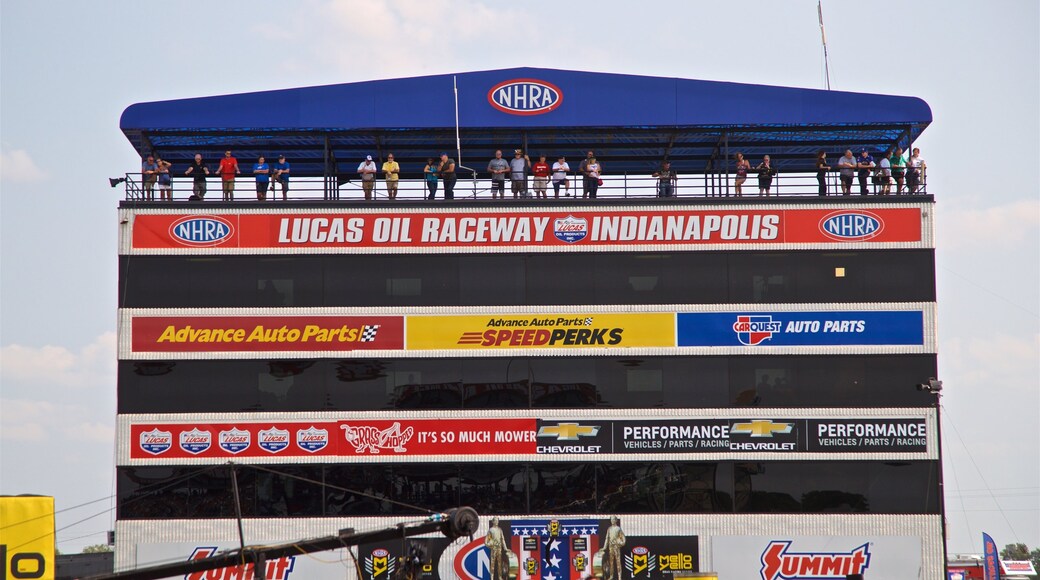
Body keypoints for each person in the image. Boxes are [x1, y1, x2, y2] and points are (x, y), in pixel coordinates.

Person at [603, 516, 626, 580]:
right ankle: (611, 576)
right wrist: (604, 547)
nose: (612, 521)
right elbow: (607, 538)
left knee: (618, 562)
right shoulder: (609, 529)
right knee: (611, 562)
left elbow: (623, 538)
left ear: (616, 520)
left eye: (613, 519)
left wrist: (621, 543)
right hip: (611, 547)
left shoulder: (618, 529)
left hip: (616, 547)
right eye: (611, 519)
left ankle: (619, 577)